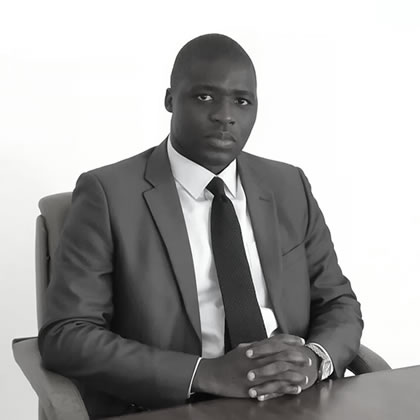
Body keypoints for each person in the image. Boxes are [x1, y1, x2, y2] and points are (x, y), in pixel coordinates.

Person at [38, 33, 363, 419]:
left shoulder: (289, 186)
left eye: (242, 101)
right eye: (205, 97)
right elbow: (68, 334)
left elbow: (338, 302)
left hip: (294, 400)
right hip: (175, 404)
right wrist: (204, 374)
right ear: (170, 100)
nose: (225, 115)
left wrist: (314, 360)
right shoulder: (108, 194)